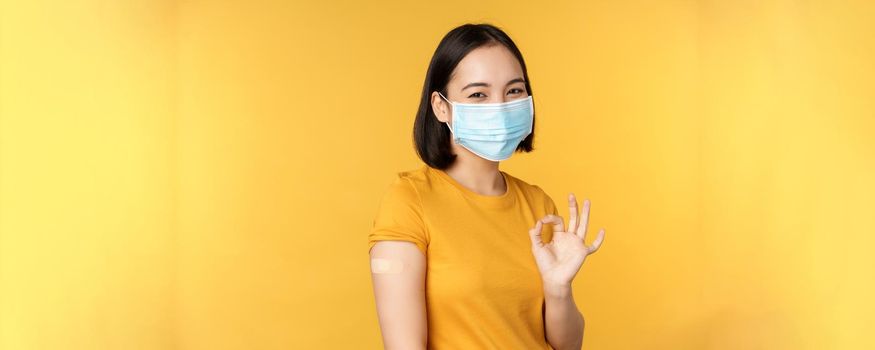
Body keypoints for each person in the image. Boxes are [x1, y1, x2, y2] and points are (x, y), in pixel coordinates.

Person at [367, 23, 606, 350]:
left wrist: (558, 288)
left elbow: (568, 345)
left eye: (514, 91)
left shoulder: (539, 206)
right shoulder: (410, 201)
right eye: (478, 94)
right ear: (441, 106)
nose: (499, 106)